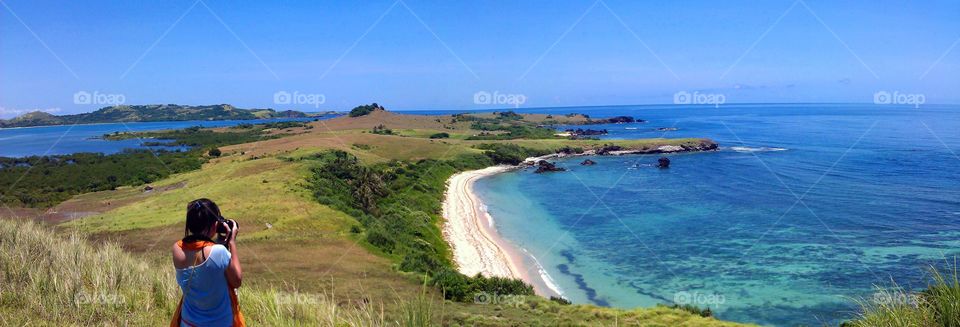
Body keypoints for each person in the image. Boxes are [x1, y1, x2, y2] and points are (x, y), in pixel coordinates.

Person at [171, 198, 244, 327]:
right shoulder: (219, 252)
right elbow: (237, 281)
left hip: (188, 322)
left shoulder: (177, 249)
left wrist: (220, 243)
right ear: (214, 225)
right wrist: (231, 242)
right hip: (219, 322)